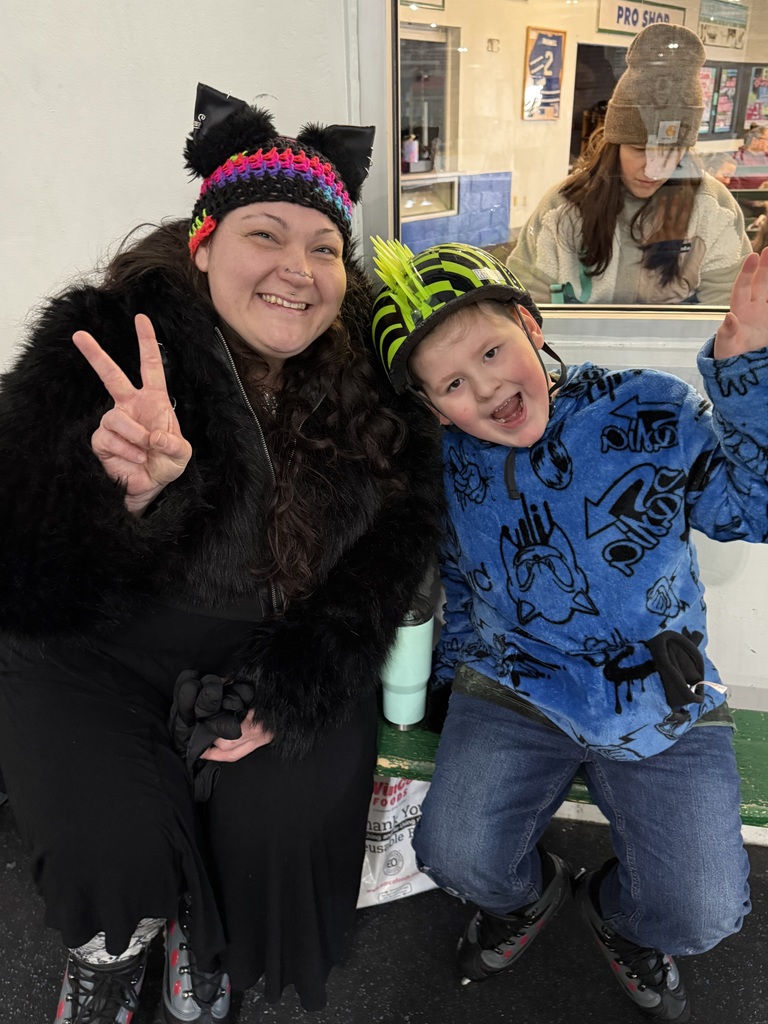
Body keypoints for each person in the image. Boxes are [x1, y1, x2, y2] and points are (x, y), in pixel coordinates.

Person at [0, 83, 443, 1024]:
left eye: (325, 246)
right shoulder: (109, 345)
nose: (299, 267)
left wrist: (305, 677)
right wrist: (128, 498)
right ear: (204, 244)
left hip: (270, 656)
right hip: (94, 656)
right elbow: (19, 570)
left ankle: (206, 947)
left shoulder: (374, 378)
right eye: (265, 234)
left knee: (281, 822)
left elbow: (394, 554)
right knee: (105, 845)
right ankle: (111, 952)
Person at [369, 236, 768, 1021]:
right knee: (450, 856)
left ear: (530, 323)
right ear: (430, 405)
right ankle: (528, 895)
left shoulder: (648, 407)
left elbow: (755, 509)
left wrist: (748, 371)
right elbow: (456, 575)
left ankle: (620, 917)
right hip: (513, 685)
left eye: (492, 350)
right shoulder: (443, 464)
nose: (486, 389)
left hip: (661, 688)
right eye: (453, 382)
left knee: (704, 914)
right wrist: (450, 677)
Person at [507, 23, 751, 305]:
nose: (653, 169)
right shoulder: (563, 206)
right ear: (615, 145)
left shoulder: (712, 207)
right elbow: (525, 298)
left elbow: (730, 303)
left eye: (673, 151)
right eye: (639, 149)